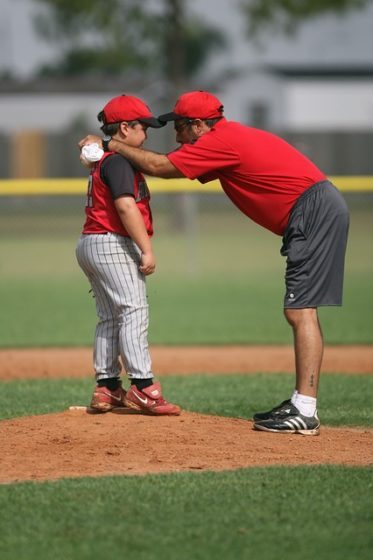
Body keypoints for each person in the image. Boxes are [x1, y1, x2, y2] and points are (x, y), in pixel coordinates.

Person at [79, 90, 349, 435]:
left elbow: (162, 166)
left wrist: (111, 146)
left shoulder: (221, 141)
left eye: (179, 127)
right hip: (313, 210)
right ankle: (302, 402)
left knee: (300, 310)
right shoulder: (227, 138)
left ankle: (305, 409)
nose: (176, 135)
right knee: (299, 309)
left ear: (198, 126)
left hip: (313, 212)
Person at [76, 93, 181, 416]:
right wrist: (146, 249)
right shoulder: (119, 161)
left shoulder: (107, 159)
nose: (146, 134)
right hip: (111, 242)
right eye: (142, 128)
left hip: (90, 242)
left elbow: (90, 151)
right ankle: (143, 387)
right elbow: (125, 205)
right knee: (134, 310)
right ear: (124, 129)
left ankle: (107, 388)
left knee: (110, 316)